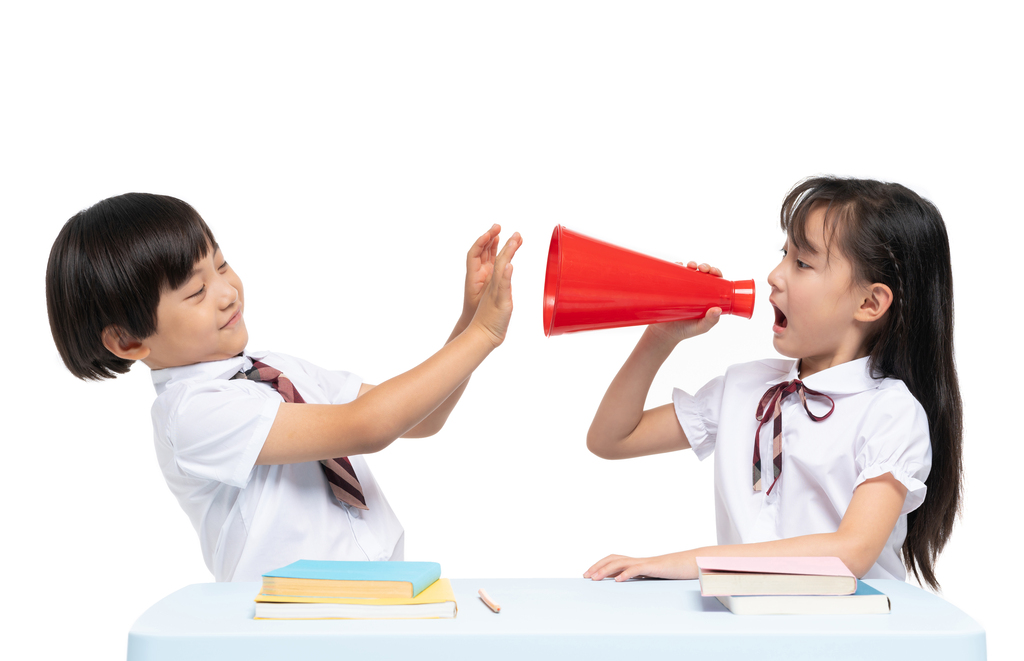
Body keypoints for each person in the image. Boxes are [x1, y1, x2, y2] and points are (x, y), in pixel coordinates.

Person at [45, 193, 521, 582]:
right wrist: (484, 335)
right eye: (195, 291)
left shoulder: (274, 371)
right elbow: (369, 425)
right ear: (128, 340)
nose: (228, 292)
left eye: (222, 265)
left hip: (381, 598)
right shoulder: (191, 413)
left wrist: (468, 321)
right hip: (287, 627)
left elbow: (420, 419)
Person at [583, 176, 962, 590]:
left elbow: (852, 551)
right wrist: (660, 337)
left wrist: (685, 563)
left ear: (869, 303)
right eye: (785, 253)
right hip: (751, 624)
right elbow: (611, 439)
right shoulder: (744, 387)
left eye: (802, 263)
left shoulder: (889, 412)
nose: (774, 275)